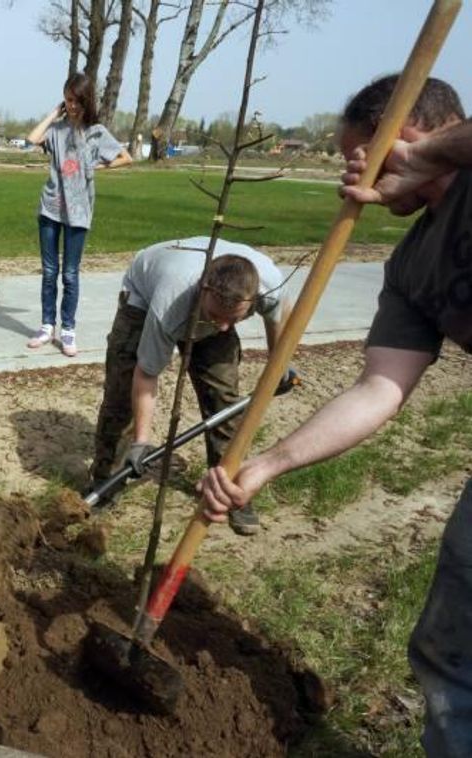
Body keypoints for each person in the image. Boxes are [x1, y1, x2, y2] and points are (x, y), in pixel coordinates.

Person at [197, 76, 469, 755]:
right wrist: (266, 465)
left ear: (408, 138)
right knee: (449, 653)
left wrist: (435, 151)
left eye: (358, 154)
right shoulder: (411, 265)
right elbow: (379, 387)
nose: (349, 171)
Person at [88, 237, 291, 535]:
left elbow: (278, 321)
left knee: (224, 399)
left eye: (232, 320)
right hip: (143, 297)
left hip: (207, 293)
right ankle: (106, 480)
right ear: (203, 291)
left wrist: (279, 364)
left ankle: (229, 487)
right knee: (121, 398)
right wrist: (142, 440)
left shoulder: (268, 285)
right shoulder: (168, 304)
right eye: (214, 317)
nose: (221, 327)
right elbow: (146, 375)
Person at [26, 72, 132, 358]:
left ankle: (68, 329)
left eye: (75, 100)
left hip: (80, 212)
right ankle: (47, 326)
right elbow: (32, 138)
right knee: (50, 273)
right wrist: (52, 114)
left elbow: (126, 158)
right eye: (67, 100)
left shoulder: (97, 132)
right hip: (50, 209)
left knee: (70, 275)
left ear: (86, 100)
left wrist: (98, 167)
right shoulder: (57, 130)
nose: (71, 105)